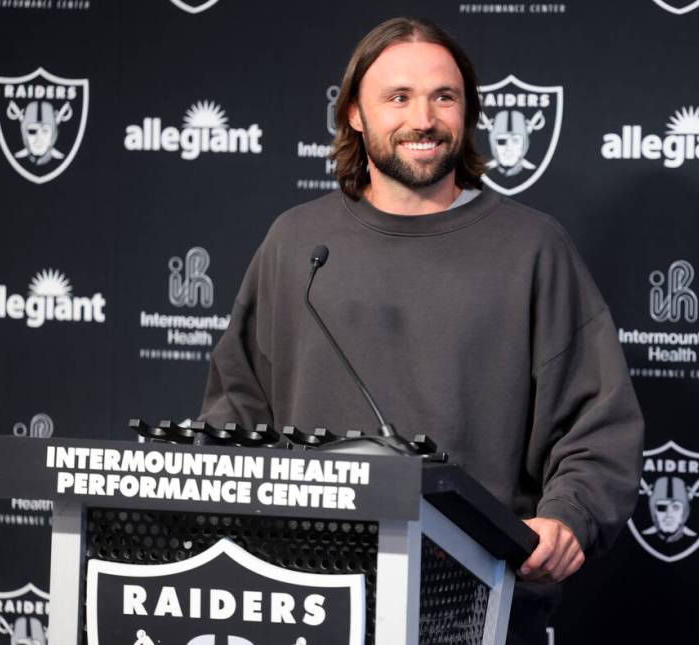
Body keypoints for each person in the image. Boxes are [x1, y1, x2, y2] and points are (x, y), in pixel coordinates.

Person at [200, 16, 643, 644]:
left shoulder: (533, 247)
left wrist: (569, 517)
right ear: (355, 113)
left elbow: (597, 423)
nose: (424, 119)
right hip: (309, 600)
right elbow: (234, 411)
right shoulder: (296, 244)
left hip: (472, 602)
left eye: (444, 96)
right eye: (398, 97)